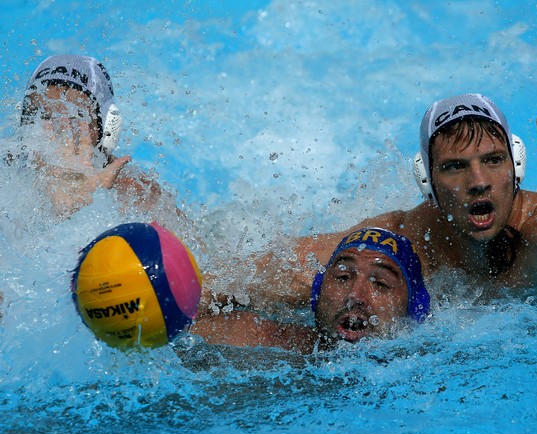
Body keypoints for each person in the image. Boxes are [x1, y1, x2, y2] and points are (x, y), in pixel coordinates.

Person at [222, 93, 537, 309]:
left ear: (516, 166)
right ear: (428, 182)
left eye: (492, 161)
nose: (479, 182)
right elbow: (266, 275)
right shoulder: (402, 241)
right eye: (455, 167)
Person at [192, 227, 430, 353]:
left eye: (380, 284)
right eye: (343, 276)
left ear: (415, 309)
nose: (354, 296)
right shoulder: (260, 341)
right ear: (317, 292)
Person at [15, 54, 172, 218]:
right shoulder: (8, 170)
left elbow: (186, 243)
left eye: (74, 118)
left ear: (107, 128)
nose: (58, 130)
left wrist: (80, 208)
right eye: (43, 116)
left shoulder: (135, 194)